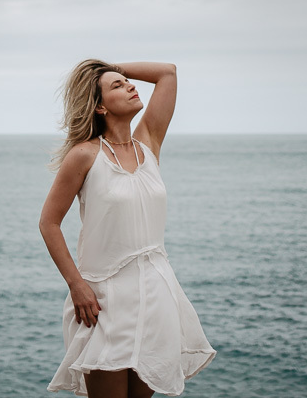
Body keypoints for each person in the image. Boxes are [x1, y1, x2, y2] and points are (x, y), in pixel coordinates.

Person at [40, 59, 215, 398]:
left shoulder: (148, 144)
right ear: (101, 106)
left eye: (127, 81)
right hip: (105, 300)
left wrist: (111, 67)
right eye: (117, 85)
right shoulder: (84, 156)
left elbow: (167, 73)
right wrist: (76, 285)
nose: (131, 86)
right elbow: (49, 223)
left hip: (157, 294)